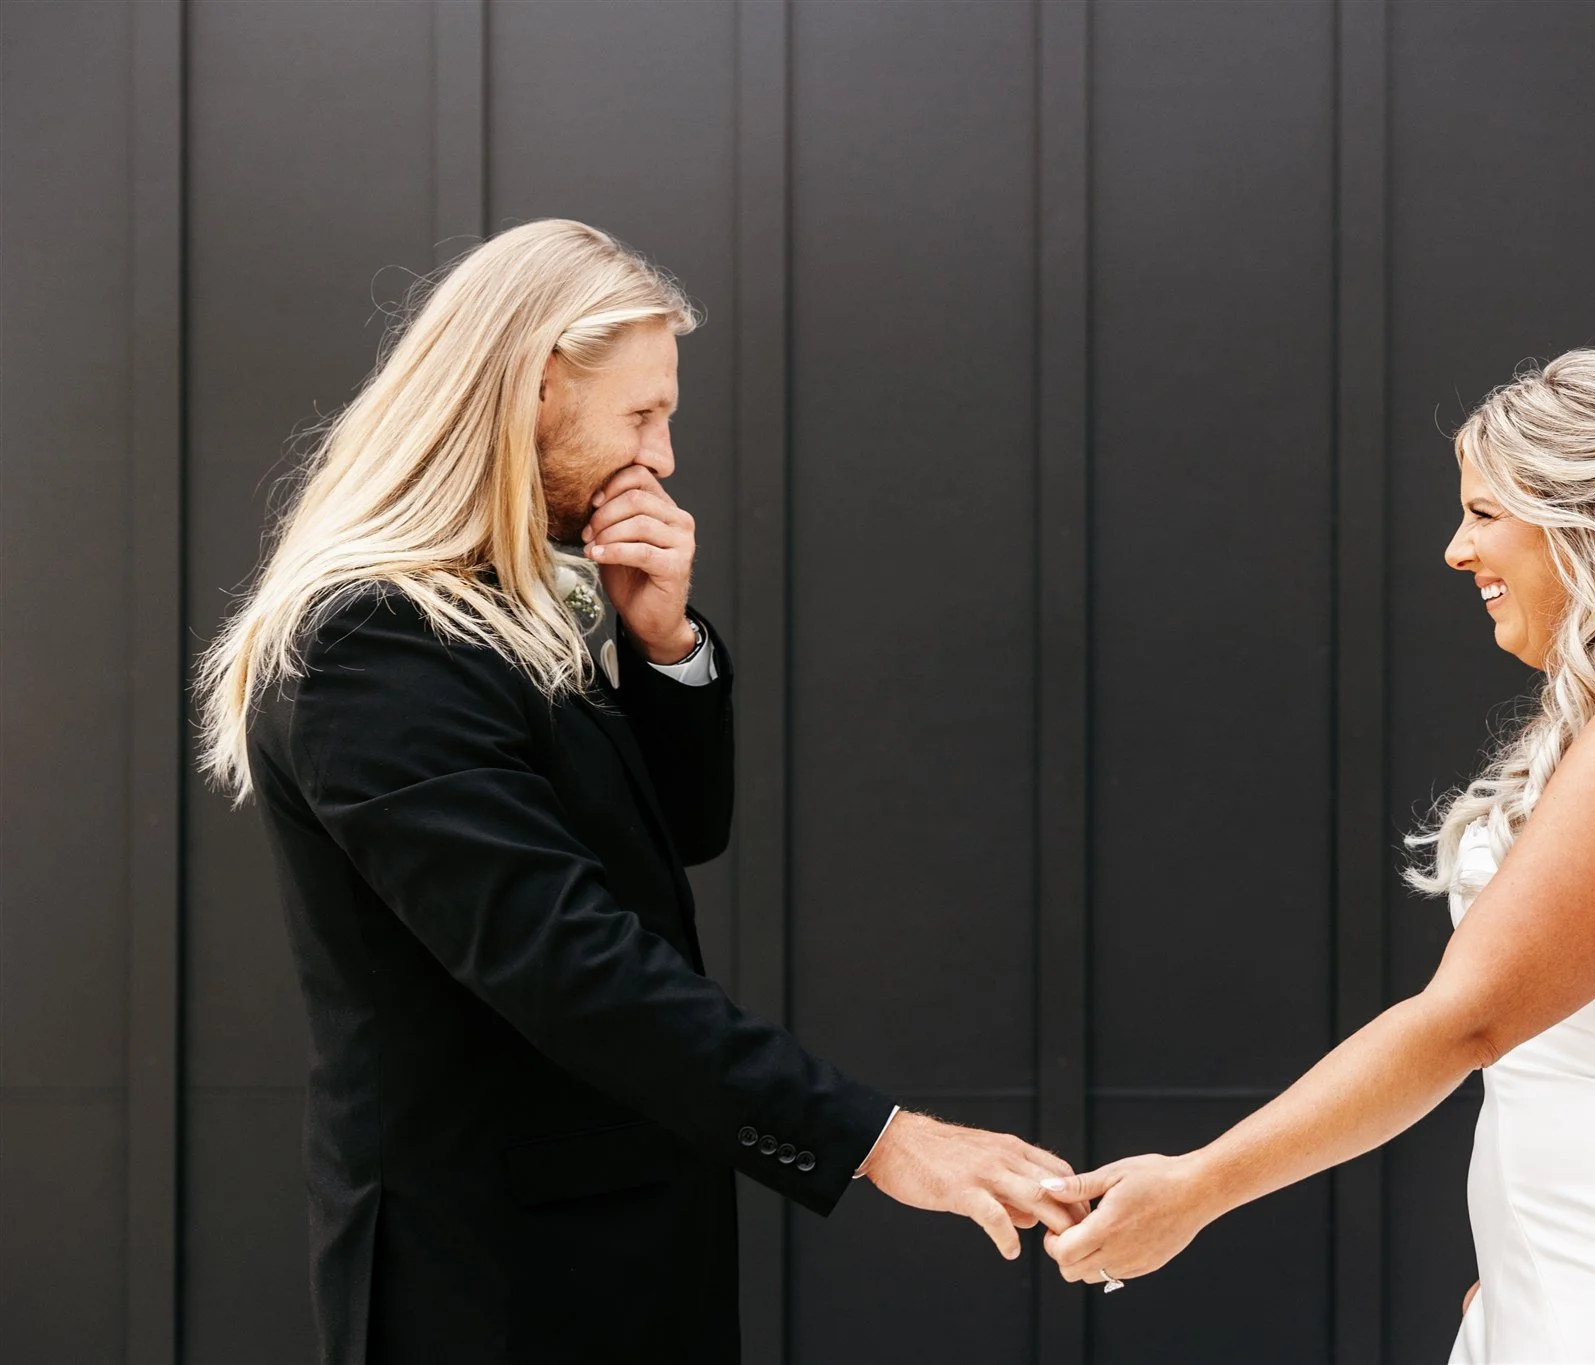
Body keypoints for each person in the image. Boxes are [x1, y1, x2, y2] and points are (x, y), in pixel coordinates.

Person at [194, 219, 1084, 1365]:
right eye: (640, 416)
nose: (660, 457)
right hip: (491, 1285)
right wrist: (880, 1139)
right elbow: (566, 959)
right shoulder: (377, 642)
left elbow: (674, 841)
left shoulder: (502, 605)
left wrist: (660, 645)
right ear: (534, 390)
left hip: (610, 1251)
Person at [1042, 350, 1595, 1362]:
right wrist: (1521, 1267)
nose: (1453, 550)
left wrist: (1197, 1187)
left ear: (1585, 519)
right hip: (1591, 1282)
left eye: (1483, 513)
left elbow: (1464, 1018)